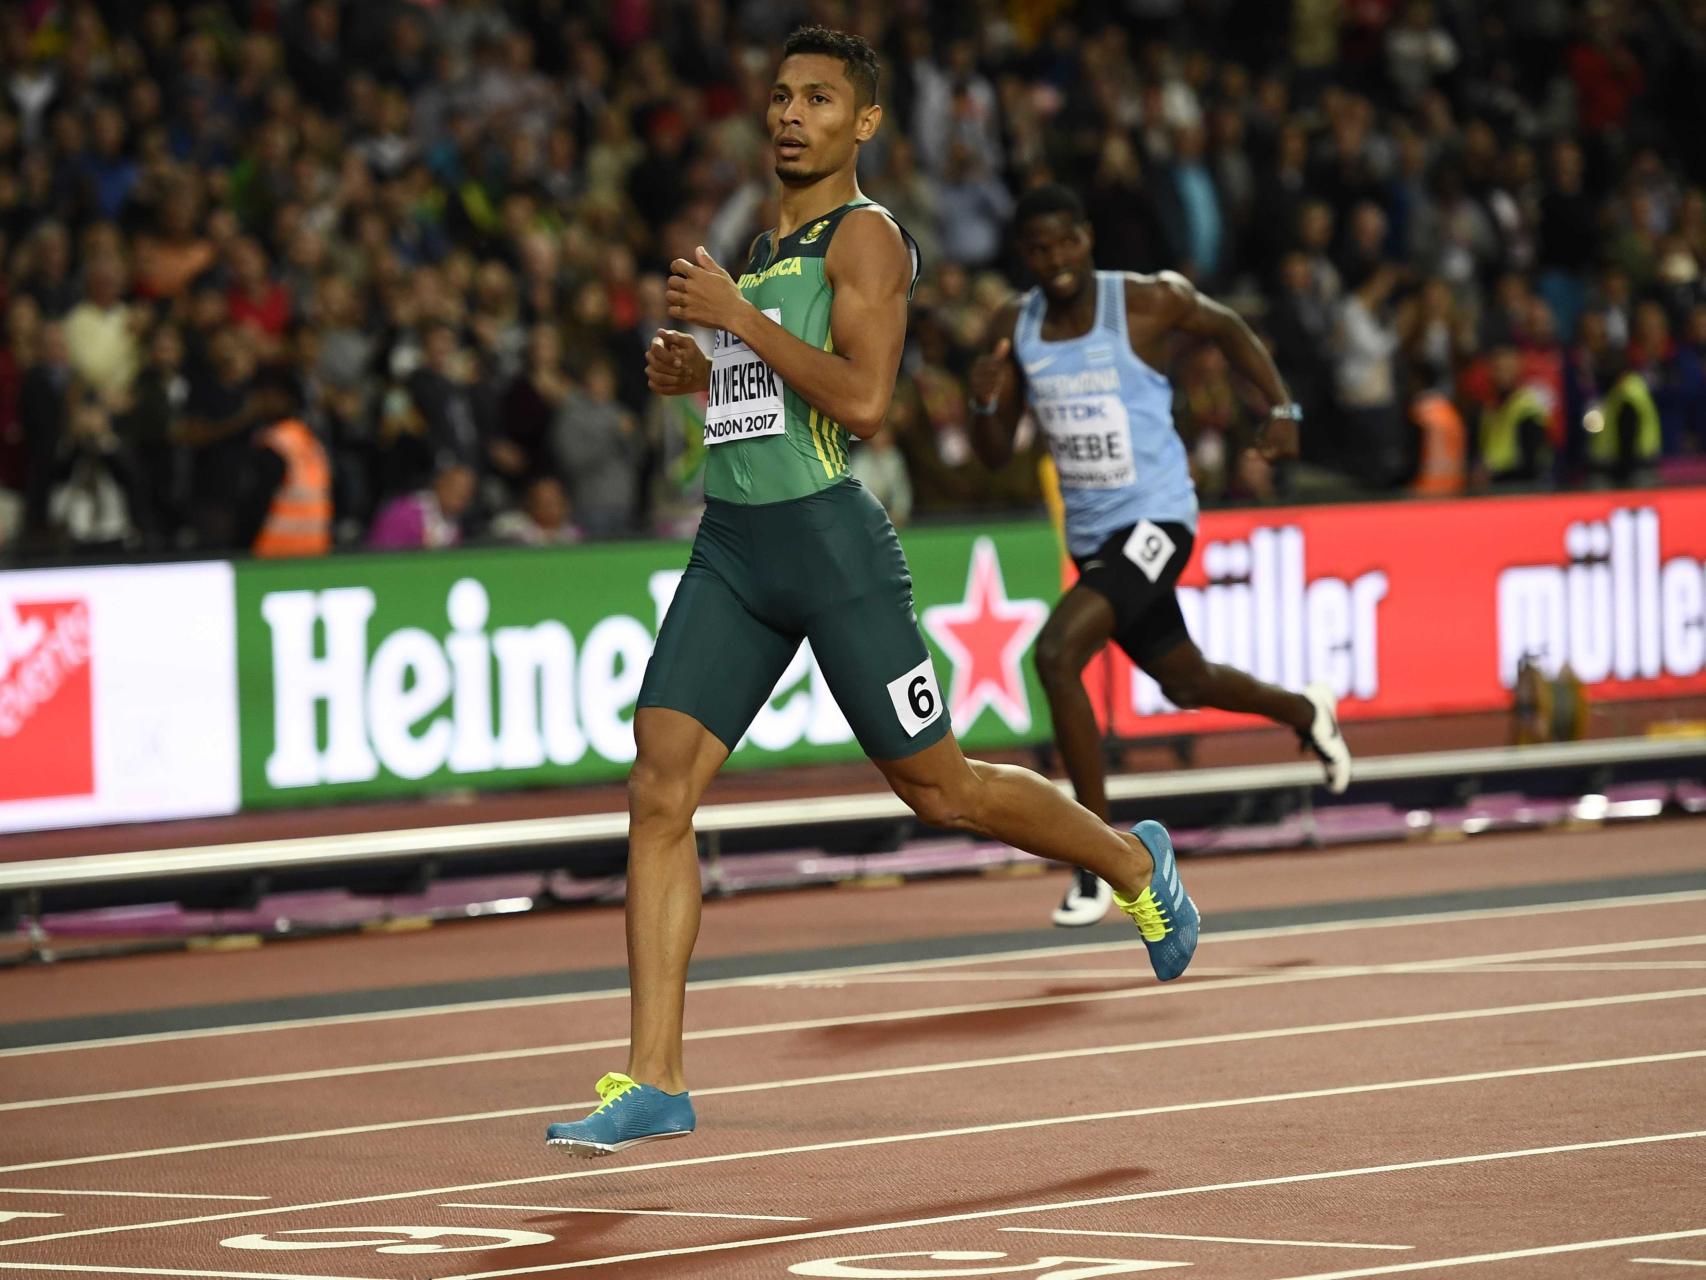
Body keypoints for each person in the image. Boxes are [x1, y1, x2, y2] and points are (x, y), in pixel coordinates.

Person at [543, 28, 1198, 1160]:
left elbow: (865, 403)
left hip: (831, 548)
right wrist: (705, 376)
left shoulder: (869, 237)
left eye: (817, 99)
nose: (790, 115)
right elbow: (770, 402)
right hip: (734, 546)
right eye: (780, 96)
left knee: (940, 790)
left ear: (864, 123)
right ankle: (655, 1078)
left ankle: (1132, 859)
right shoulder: (761, 250)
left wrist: (736, 324)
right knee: (658, 787)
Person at [967, 184, 1352, 929]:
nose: (1057, 259)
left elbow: (1229, 326)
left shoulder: (1145, 301)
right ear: (1024, 255)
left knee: (1056, 655)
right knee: (1185, 678)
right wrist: (984, 401)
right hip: (1093, 539)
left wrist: (1282, 409)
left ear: (1087, 237)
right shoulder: (1015, 325)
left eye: (1067, 242)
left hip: (1158, 518)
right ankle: (1306, 710)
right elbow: (992, 453)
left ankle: (1096, 860)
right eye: (1040, 249)